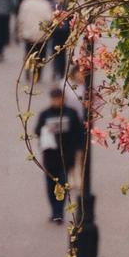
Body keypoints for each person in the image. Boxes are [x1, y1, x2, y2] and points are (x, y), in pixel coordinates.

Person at [32, 88, 87, 223]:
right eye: (54, 99)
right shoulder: (45, 114)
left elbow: (79, 132)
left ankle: (59, 212)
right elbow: (37, 130)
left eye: (59, 98)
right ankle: (54, 210)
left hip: (66, 154)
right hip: (50, 155)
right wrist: (46, 130)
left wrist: (79, 149)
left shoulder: (71, 113)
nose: (57, 101)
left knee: (62, 183)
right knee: (50, 184)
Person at [16, 0, 55, 74]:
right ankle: (38, 72)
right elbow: (49, 18)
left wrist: (20, 32)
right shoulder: (45, 4)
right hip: (41, 34)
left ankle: (27, 68)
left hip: (28, 34)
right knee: (41, 54)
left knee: (29, 52)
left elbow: (21, 19)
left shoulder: (26, 3)